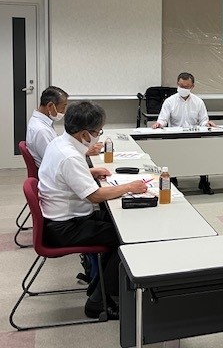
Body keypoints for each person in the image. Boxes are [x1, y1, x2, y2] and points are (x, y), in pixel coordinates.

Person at [38, 101, 147, 319]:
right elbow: (95, 196)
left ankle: (99, 287)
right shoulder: (70, 156)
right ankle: (98, 302)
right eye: (98, 132)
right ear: (85, 134)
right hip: (64, 227)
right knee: (126, 237)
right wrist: (130, 187)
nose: (98, 136)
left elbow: (65, 176)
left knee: (118, 223)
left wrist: (90, 172)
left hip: (61, 219)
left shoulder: (60, 143)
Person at [151, 72, 216, 193]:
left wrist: (207, 123)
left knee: (202, 154)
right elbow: (163, 119)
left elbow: (203, 120)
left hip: (194, 136)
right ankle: (173, 178)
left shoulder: (198, 102)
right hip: (175, 137)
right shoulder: (169, 101)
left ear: (192, 86)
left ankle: (203, 180)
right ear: (177, 84)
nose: (183, 89)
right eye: (181, 86)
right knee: (173, 156)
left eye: (186, 87)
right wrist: (159, 124)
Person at [26, 86, 101, 166]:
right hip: (56, 168)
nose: (64, 111)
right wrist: (85, 152)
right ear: (50, 106)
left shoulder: (40, 121)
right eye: (63, 107)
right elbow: (56, 160)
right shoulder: (42, 130)